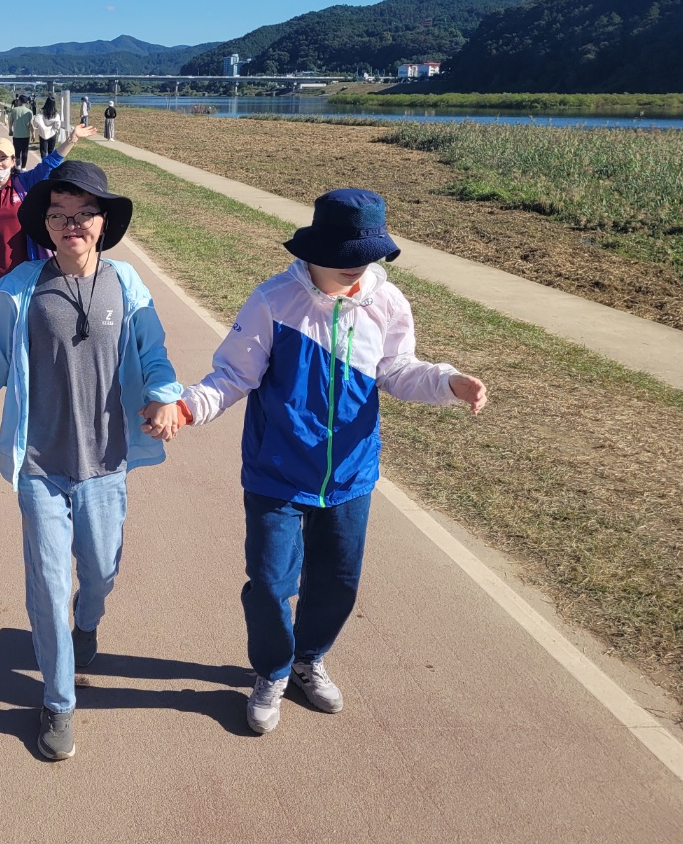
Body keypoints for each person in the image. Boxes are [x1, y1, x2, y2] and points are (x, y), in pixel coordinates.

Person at [172, 188, 489, 736]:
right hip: (276, 473)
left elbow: (398, 370)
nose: (355, 268)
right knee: (270, 582)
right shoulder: (273, 301)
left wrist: (448, 382)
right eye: (345, 257)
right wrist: (186, 407)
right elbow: (233, 375)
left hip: (350, 474)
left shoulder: (387, 303)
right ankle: (272, 670)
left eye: (366, 257)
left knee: (338, 581)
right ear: (315, 248)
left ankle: (308, 659)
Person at [0, 160, 182, 761]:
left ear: (103, 222)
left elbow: (153, 353)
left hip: (106, 462)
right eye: (59, 214)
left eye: (84, 213)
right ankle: (58, 700)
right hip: (41, 466)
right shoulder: (20, 289)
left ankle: (87, 620)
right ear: (44, 225)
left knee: (100, 572)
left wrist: (163, 394)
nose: (72, 224)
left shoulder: (126, 284)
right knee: (48, 583)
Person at [0, 124, 89, 307]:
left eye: (3, 158)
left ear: (13, 161)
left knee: (24, 320)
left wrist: (72, 139)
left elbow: (49, 164)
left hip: (24, 272)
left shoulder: (23, 183)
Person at [8, 95, 34, 171]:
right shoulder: (29, 112)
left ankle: (18, 165)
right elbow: (31, 124)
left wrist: (10, 130)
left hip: (16, 135)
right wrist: (33, 134)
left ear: (19, 101)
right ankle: (24, 167)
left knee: (17, 151)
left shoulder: (14, 110)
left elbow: (10, 122)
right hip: (26, 135)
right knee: (25, 152)